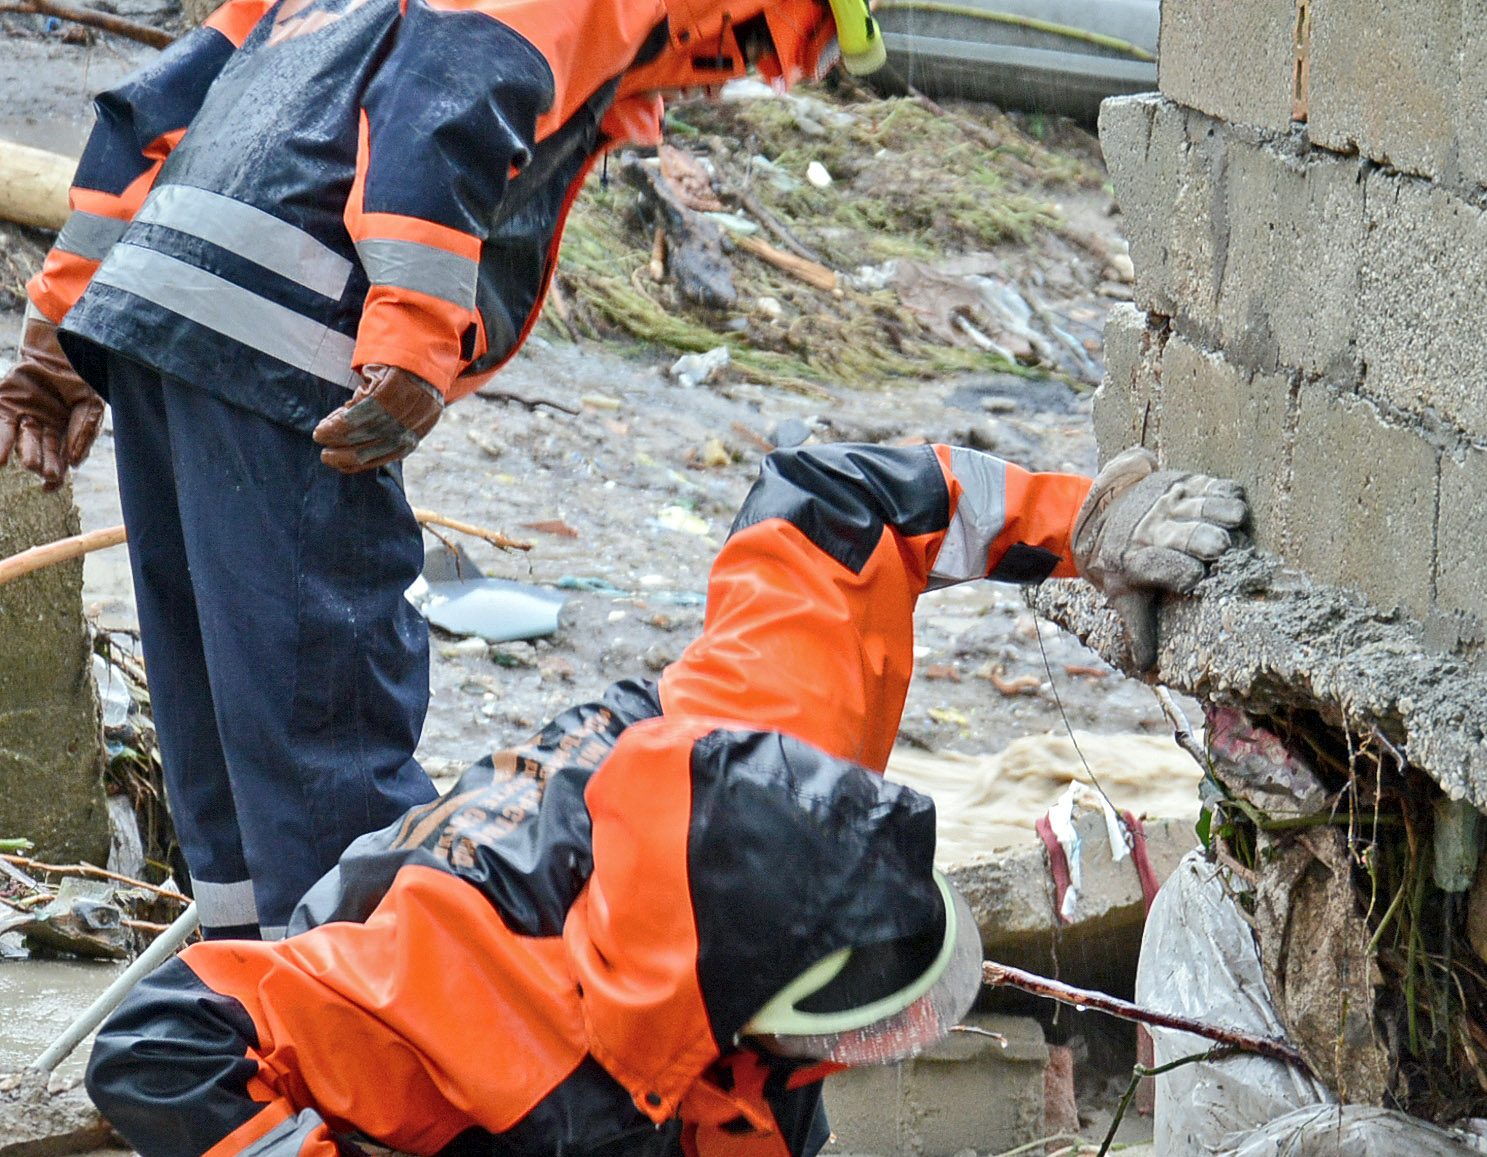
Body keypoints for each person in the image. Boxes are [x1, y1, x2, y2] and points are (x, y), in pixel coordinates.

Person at [82, 441, 1247, 1157]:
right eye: (845, 1034)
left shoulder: (780, 742)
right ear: (750, 1009)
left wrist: (1088, 523)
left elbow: (843, 496)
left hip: (660, 1044)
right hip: (510, 1083)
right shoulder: (447, 987)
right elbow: (156, 1047)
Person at [0, 0, 882, 940]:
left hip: (158, 316)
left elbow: (153, 106)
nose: (749, 69)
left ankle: (232, 1020)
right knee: (325, 736)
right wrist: (416, 336)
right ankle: (354, 1035)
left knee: (225, 738)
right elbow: (447, 83)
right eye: (775, 46)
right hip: (284, 337)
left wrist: (61, 327)